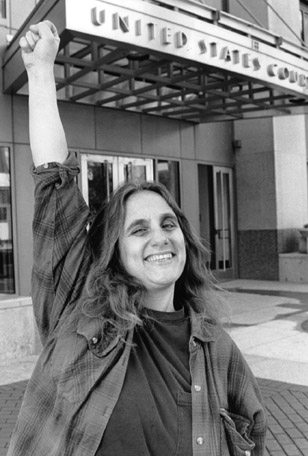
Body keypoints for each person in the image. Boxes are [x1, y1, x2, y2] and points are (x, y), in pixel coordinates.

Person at [8, 20, 267, 456]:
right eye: (139, 229)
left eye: (169, 225)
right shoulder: (79, 314)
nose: (160, 238)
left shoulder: (218, 350)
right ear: (115, 252)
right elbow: (55, 181)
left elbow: (253, 440)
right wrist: (39, 73)